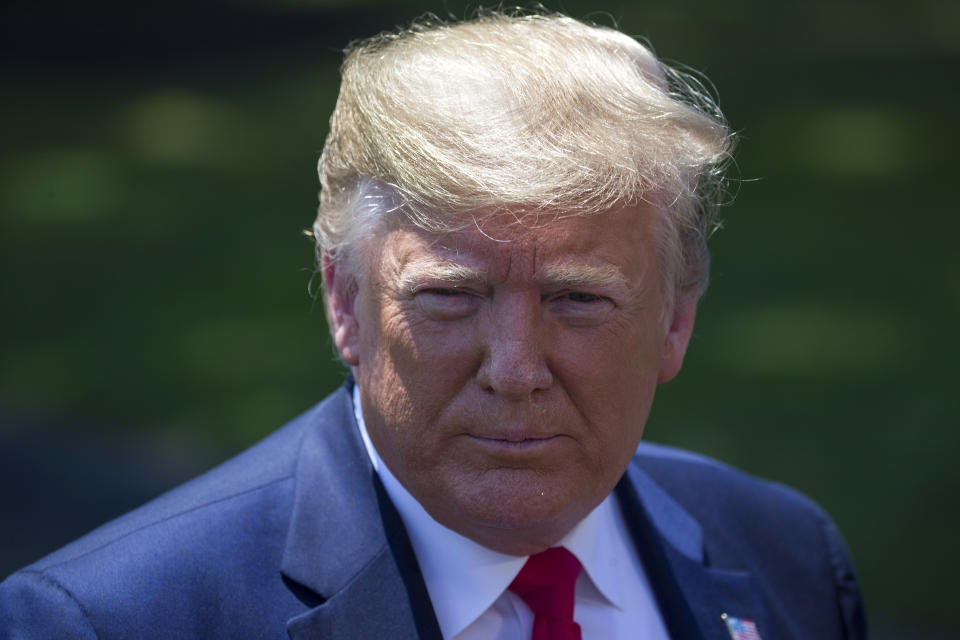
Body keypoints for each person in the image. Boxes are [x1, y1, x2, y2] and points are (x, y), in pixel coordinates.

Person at [0, 10, 866, 640]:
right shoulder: (110, 621)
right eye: (451, 297)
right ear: (345, 302)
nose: (516, 368)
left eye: (578, 299)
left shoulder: (784, 555)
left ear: (675, 319)